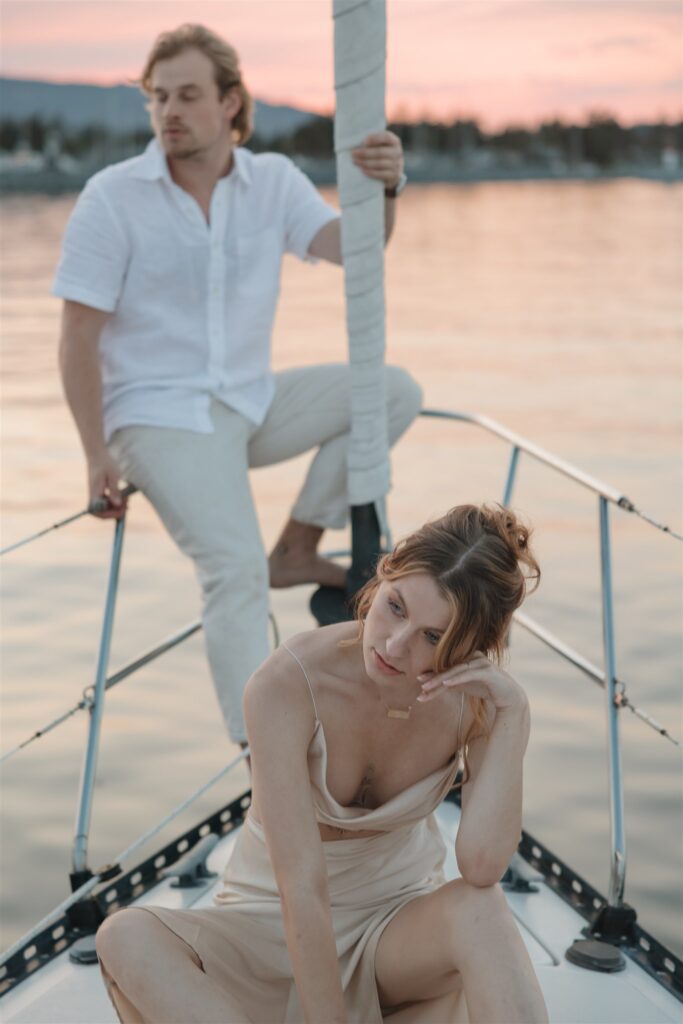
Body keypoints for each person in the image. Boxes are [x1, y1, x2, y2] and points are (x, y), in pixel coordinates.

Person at [54, 23, 422, 746]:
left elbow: (357, 248)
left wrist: (387, 186)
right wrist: (93, 453)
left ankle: (298, 545)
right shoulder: (112, 197)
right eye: (157, 98)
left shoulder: (273, 182)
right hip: (156, 419)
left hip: (248, 402)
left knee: (391, 389)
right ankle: (268, 762)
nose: (169, 112)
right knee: (232, 571)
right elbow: (77, 338)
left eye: (187, 95)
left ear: (230, 103)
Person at [96, 503, 550, 1024]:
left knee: (482, 911)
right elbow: (303, 889)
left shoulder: (476, 702)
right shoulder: (287, 684)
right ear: (384, 573)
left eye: (433, 637)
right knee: (124, 935)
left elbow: (482, 865)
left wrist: (513, 713)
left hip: (392, 933)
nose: (395, 645)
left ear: (469, 648)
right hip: (267, 926)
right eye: (396, 607)